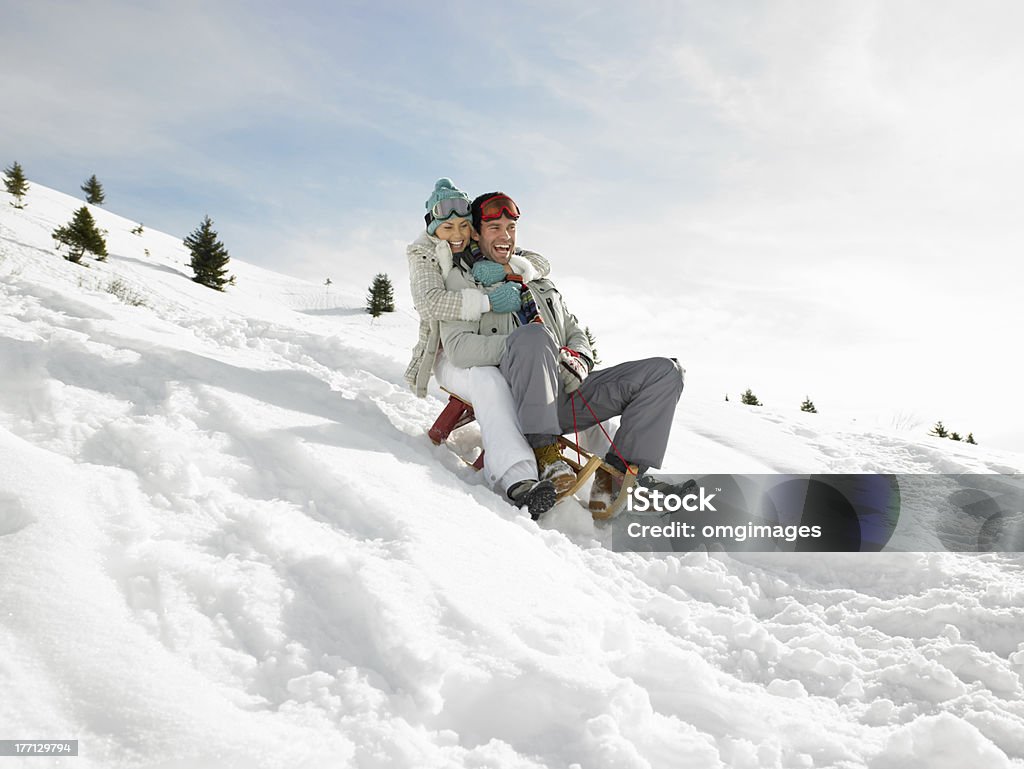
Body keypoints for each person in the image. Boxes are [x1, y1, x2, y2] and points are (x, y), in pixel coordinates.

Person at [438, 191, 685, 518]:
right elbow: (457, 347)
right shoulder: (462, 279)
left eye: (510, 227)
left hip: (564, 394)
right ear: (477, 232)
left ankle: (621, 475)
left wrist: (579, 358)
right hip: (518, 397)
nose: (505, 236)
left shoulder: (537, 280)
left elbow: (573, 330)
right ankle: (545, 453)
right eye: (495, 228)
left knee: (665, 372)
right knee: (534, 336)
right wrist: (530, 348)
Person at [405, 179, 561, 517]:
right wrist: (488, 301)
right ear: (434, 228)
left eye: (464, 225)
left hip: (487, 346)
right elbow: (430, 304)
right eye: (448, 227)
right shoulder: (426, 256)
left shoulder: (477, 252)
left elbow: (539, 261)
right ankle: (516, 478)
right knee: (488, 380)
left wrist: (510, 267)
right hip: (450, 353)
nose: (457, 233)